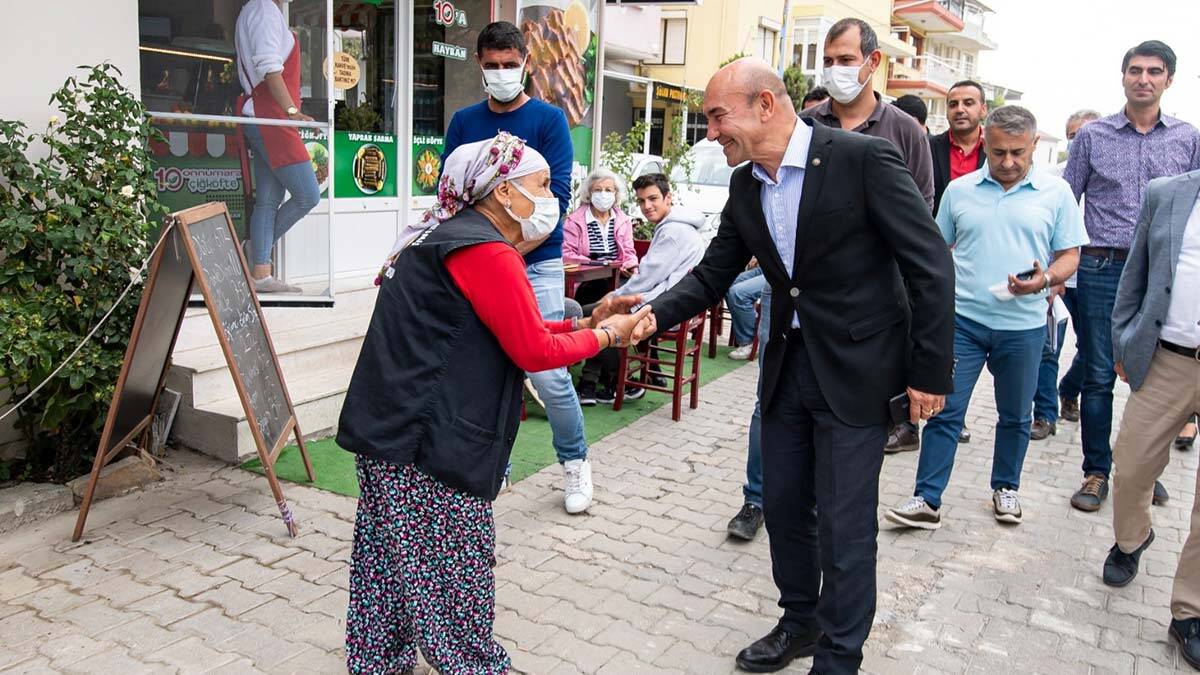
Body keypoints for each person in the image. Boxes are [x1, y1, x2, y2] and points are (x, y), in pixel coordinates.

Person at [617, 58, 955, 675]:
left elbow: (929, 264)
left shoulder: (861, 160)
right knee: (784, 506)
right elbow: (715, 273)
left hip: (857, 371)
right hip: (787, 367)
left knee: (845, 526)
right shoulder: (748, 186)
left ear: (765, 106)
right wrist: (650, 316)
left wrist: (930, 373)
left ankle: (839, 656)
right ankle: (800, 621)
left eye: (718, 116)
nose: (712, 132)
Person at [337, 134, 650, 675]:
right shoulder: (484, 250)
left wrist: (586, 321)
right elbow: (532, 348)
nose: (551, 198)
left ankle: (377, 664)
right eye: (541, 185)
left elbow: (512, 329)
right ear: (504, 193)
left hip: (389, 432)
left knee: (386, 567)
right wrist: (608, 338)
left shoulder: (451, 237)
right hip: (423, 444)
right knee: (451, 573)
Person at [884, 106, 1088, 530]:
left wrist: (1046, 279)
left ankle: (1006, 488)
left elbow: (1070, 255)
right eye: (998, 153)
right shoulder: (960, 192)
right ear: (985, 144)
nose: (1008, 162)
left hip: (1025, 327)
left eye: (1018, 153)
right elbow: (936, 251)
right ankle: (927, 499)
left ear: (1034, 147)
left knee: (1015, 415)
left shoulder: (1056, 194)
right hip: (963, 324)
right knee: (944, 411)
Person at [440, 21, 594, 514]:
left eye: (511, 65)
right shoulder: (464, 122)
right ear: (480, 65)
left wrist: (511, 252)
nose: (502, 73)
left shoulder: (548, 121)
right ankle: (494, 462)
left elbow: (558, 200)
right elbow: (453, 196)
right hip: (479, 263)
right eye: (493, 65)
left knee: (547, 369)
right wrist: (485, 256)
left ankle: (575, 462)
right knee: (485, 367)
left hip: (536, 262)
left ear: (525, 63)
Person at [1063, 39, 1200, 512]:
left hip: (1163, 274)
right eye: (1136, 70)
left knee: (1154, 378)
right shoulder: (1093, 136)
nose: (1144, 78)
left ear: (1169, 80)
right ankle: (1097, 472)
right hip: (1102, 266)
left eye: (1154, 71)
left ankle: (1141, 472)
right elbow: (1066, 202)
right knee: (1099, 374)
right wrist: (1059, 269)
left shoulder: (1188, 138)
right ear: (1122, 76)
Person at [1101, 169, 1200, 670]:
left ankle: (1190, 612)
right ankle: (1132, 538)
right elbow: (1134, 272)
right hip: (1166, 360)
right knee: (1133, 465)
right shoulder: (1167, 193)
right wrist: (1124, 340)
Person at [577, 173, 706, 405]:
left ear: (668, 198)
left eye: (653, 198)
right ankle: (601, 380)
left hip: (665, 309)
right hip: (675, 302)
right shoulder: (678, 226)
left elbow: (646, 278)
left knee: (590, 313)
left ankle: (621, 380)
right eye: (641, 200)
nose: (646, 206)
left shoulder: (673, 232)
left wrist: (614, 297)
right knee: (596, 306)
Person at [800, 18, 935, 210]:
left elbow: (921, 208)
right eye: (828, 61)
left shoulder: (907, 131)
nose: (834, 69)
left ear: (873, 61)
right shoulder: (805, 124)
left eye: (846, 60)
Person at [234, 0, 320, 294]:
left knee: (268, 201)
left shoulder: (257, 8)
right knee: (308, 195)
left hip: (262, 115)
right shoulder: (264, 9)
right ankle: (253, 248)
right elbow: (270, 68)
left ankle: (260, 272)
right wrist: (293, 111)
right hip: (270, 116)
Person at [1031, 109, 1100, 440]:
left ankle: (1069, 389)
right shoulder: (1053, 181)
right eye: (1073, 136)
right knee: (1048, 349)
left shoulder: (1111, 178)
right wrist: (1049, 275)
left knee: (1094, 352)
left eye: (1086, 135)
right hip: (1057, 278)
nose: (1078, 143)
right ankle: (1045, 414)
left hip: (1095, 277)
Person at [562, 168, 639, 306]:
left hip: (617, 276)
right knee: (599, 288)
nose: (603, 194)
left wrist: (630, 266)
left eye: (608, 190)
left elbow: (629, 252)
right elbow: (567, 254)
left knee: (634, 290)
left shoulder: (623, 220)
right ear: (589, 193)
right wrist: (596, 266)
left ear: (615, 194)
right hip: (588, 280)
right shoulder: (575, 221)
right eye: (597, 190)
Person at [930, 80, 988, 217]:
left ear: (983, 110)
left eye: (968, 103)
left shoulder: (996, 152)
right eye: (953, 104)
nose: (960, 109)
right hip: (936, 235)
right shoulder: (927, 148)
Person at [724, 259, 766, 360]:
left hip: (782, 273)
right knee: (724, 284)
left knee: (738, 293)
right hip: (767, 267)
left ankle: (750, 342)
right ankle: (750, 322)